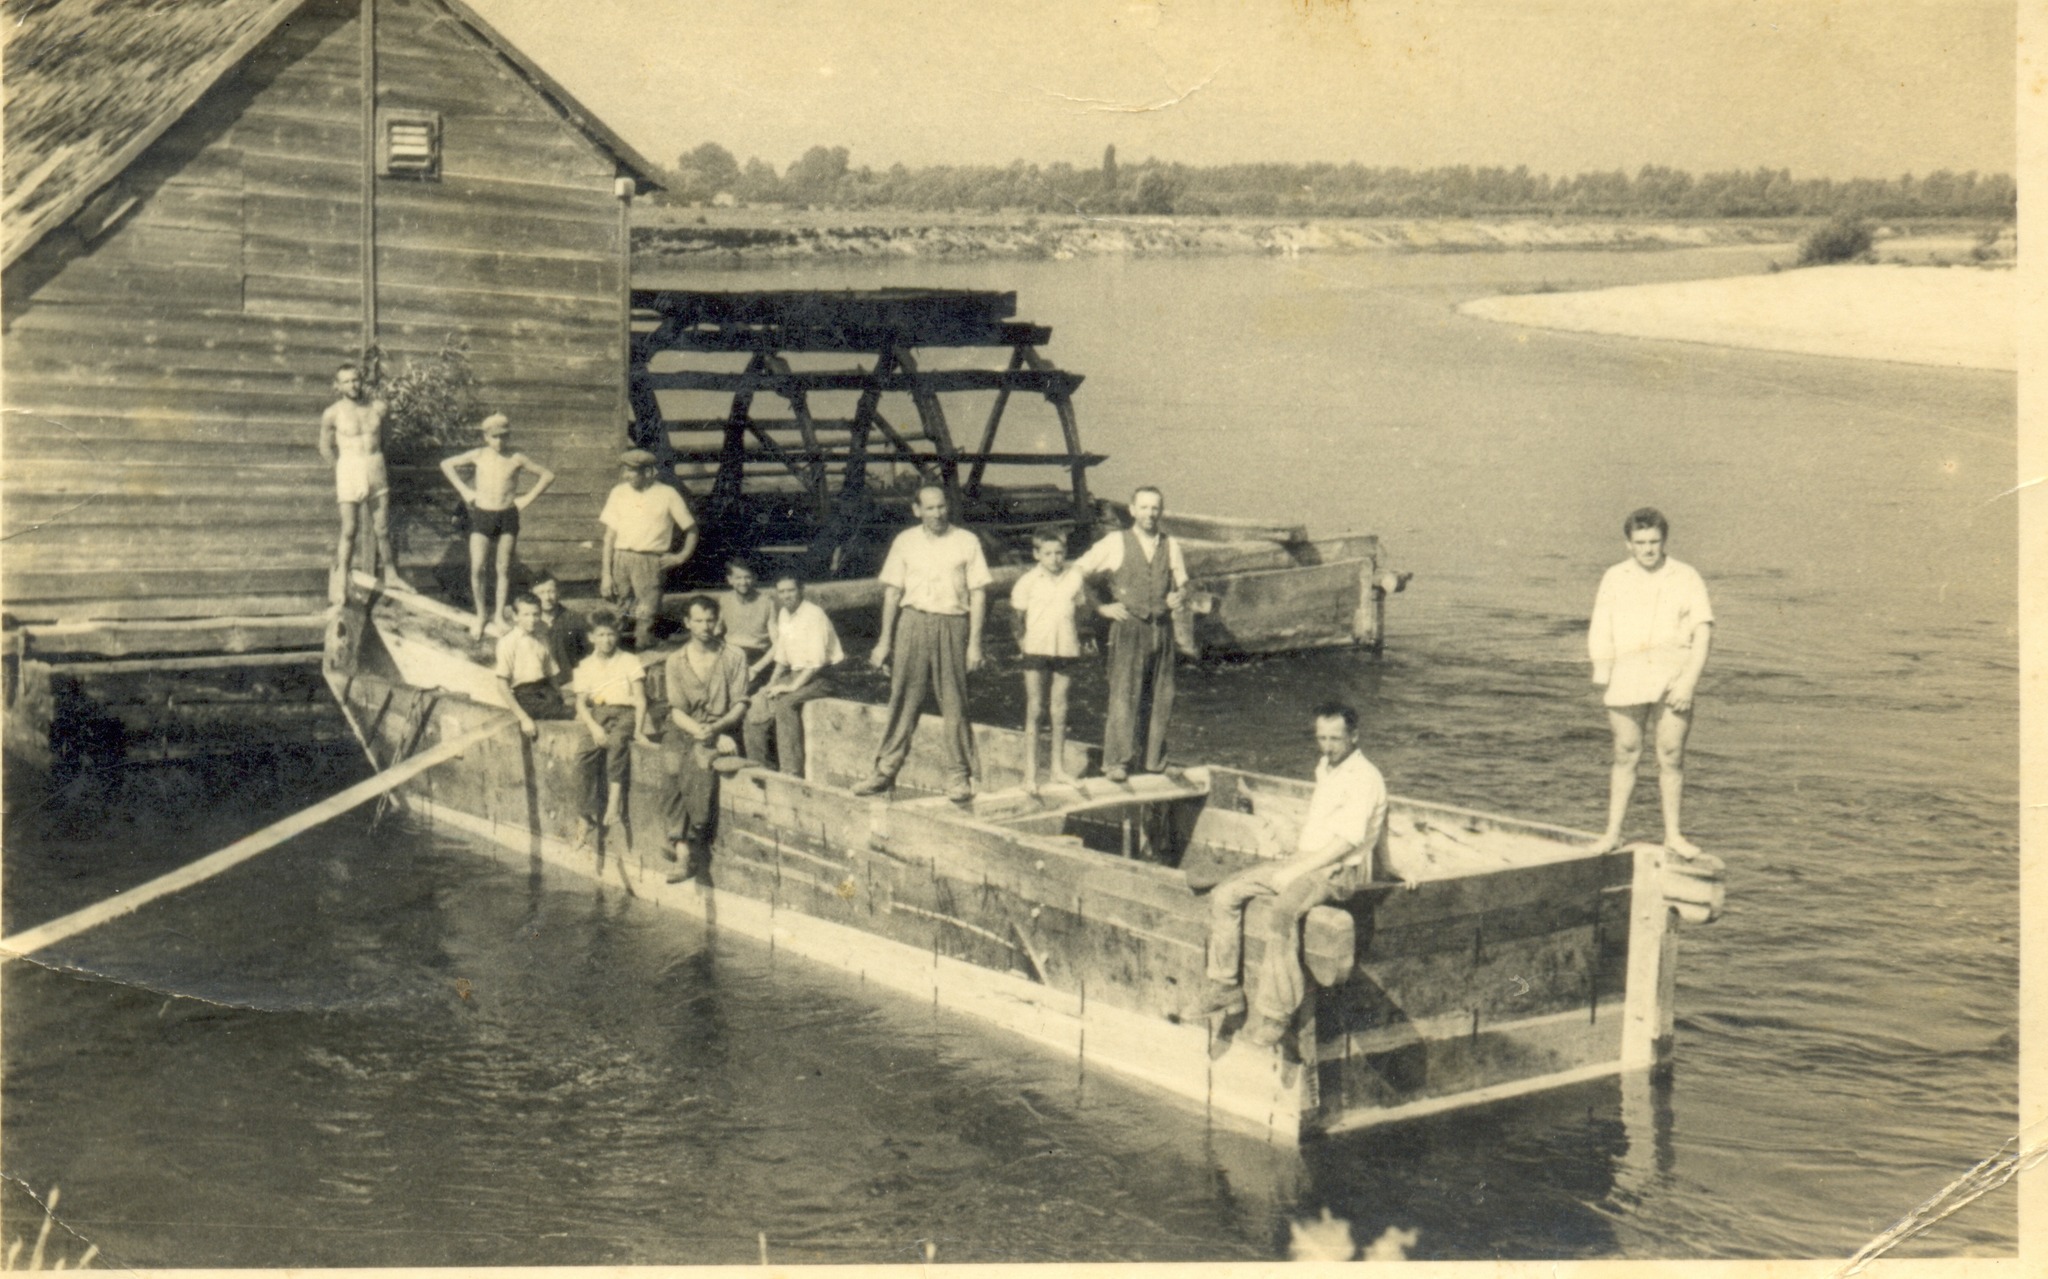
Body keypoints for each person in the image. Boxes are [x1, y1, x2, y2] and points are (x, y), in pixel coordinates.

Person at [1202, 703, 1388, 1049]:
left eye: (1336, 738)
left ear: (1354, 736)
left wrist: (1296, 872)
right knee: (1225, 893)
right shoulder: (1327, 767)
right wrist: (1296, 863)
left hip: (1336, 871)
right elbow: (1380, 823)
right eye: (1322, 738)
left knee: (1283, 912)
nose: (1328, 746)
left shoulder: (1364, 778)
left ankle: (1276, 1013)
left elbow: (1347, 841)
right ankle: (1225, 987)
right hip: (1307, 859)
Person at [1587, 508, 1714, 855]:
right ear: (1628, 544)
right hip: (1627, 677)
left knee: (1671, 755)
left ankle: (1673, 836)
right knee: (1626, 752)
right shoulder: (1614, 577)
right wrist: (1604, 673)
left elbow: (1703, 634)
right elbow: (1601, 627)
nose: (1648, 549)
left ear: (1664, 541)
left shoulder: (1686, 577)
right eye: (1640, 542)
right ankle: (1612, 833)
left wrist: (1688, 682)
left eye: (1654, 542)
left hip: (1673, 678)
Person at [852, 485, 992, 802]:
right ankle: (885, 771)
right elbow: (892, 594)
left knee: (954, 701)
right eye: (930, 508)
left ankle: (959, 776)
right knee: (903, 697)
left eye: (942, 507)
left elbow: (979, 593)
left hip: (952, 623)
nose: (937, 514)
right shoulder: (905, 541)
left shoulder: (967, 541)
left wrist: (975, 643)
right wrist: (884, 641)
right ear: (917, 510)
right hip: (912, 622)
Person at [1075, 486, 1189, 782]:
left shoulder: (1170, 544)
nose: (1150, 514)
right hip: (1128, 628)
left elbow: (1182, 584)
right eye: (1145, 507)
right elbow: (1078, 571)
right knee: (1124, 694)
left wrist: (1179, 596)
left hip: (1160, 629)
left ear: (1160, 511)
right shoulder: (1116, 541)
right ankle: (1117, 762)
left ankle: (1154, 761)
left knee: (1163, 696)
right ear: (1132, 510)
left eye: (1155, 508)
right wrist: (1101, 608)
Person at [660, 596, 750, 882]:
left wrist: (719, 729)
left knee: (700, 761)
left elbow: (740, 704)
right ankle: (683, 850)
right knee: (672, 764)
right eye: (698, 620)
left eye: (710, 620)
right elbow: (676, 710)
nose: (705, 626)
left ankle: (691, 841)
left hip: (722, 724)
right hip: (685, 725)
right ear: (687, 623)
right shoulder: (676, 661)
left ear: (718, 621)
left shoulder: (734, 656)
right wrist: (697, 729)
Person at [440, 413, 554, 638]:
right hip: (482, 515)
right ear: (486, 437)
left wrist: (525, 499)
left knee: (503, 568)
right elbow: (446, 464)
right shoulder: (479, 454)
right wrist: (464, 491)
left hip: (507, 516)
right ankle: (481, 614)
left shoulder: (516, 457)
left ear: (509, 435)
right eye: (494, 437)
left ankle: (499, 614)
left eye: (504, 436)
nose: (499, 442)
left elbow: (547, 475)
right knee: (478, 567)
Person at [1009, 529, 1089, 793]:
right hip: (1036, 650)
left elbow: (1079, 611)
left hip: (1066, 648)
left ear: (1065, 553)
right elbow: (1016, 619)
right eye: (1048, 553)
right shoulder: (1027, 581)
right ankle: (1029, 775)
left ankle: (1057, 769)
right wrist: (1024, 645)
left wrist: (1077, 638)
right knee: (1035, 709)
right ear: (1036, 554)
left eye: (1059, 553)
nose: (1054, 558)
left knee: (1060, 708)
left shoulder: (1074, 577)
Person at [744, 573, 844, 776]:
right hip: (798, 672)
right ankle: (760, 767)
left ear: (801, 591)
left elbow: (816, 662)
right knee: (757, 701)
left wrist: (790, 687)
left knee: (785, 703)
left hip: (823, 676)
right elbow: (782, 656)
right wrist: (769, 685)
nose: (786, 595)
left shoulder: (814, 615)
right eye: (782, 591)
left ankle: (791, 771)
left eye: (791, 590)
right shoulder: (784, 614)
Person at [569, 612, 653, 850]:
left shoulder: (629, 660)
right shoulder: (585, 666)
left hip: (624, 712)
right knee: (583, 755)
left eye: (611, 634)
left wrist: (638, 729)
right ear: (591, 637)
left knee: (617, 744)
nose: (607, 640)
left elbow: (640, 699)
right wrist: (594, 727)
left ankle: (614, 804)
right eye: (601, 635)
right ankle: (585, 817)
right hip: (598, 713)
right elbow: (581, 704)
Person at [599, 449, 698, 650]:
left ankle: (643, 652)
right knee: (619, 610)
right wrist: (606, 574)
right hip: (621, 559)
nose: (626, 476)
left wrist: (681, 557)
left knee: (646, 613)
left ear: (647, 472)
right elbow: (609, 536)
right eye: (625, 471)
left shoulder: (667, 494)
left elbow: (692, 529)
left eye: (632, 472)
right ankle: (615, 654)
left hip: (650, 561)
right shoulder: (619, 492)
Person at [318, 362, 402, 597]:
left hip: (374, 466)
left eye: (355, 380)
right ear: (338, 386)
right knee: (349, 529)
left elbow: (386, 438)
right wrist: (342, 470)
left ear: (361, 380)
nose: (352, 385)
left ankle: (392, 575)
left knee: (382, 528)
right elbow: (324, 447)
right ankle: (342, 581)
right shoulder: (332, 413)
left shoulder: (378, 408)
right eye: (346, 381)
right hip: (349, 468)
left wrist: (373, 460)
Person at [492, 593, 566, 736]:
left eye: (535, 614)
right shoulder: (507, 643)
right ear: (515, 616)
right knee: (573, 713)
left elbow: (551, 675)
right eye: (526, 615)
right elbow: (502, 685)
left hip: (545, 690)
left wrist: (560, 696)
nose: (532, 620)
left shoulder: (542, 639)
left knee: (575, 703)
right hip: (525, 696)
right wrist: (524, 719)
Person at [718, 558, 778, 688]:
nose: (743, 582)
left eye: (747, 577)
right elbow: (716, 632)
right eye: (738, 578)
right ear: (730, 580)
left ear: (754, 578)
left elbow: (777, 644)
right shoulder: (724, 600)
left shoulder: (767, 602)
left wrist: (756, 668)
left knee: (742, 690)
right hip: (731, 654)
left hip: (757, 656)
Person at [531, 572, 587, 686]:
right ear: (532, 595)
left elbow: (588, 656)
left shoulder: (574, 619)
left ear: (558, 592)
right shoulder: (530, 623)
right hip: (539, 685)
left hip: (570, 683)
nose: (547, 598)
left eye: (551, 591)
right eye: (541, 593)